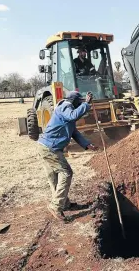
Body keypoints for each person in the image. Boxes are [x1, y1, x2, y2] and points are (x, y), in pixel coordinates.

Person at [37, 91, 99, 221]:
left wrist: (87, 145)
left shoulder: (67, 110)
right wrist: (86, 104)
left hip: (46, 146)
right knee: (66, 172)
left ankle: (64, 204)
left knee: (54, 176)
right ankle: (56, 206)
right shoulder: (66, 106)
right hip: (50, 148)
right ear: (74, 101)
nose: (80, 104)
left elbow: (74, 132)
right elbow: (72, 116)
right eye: (80, 102)